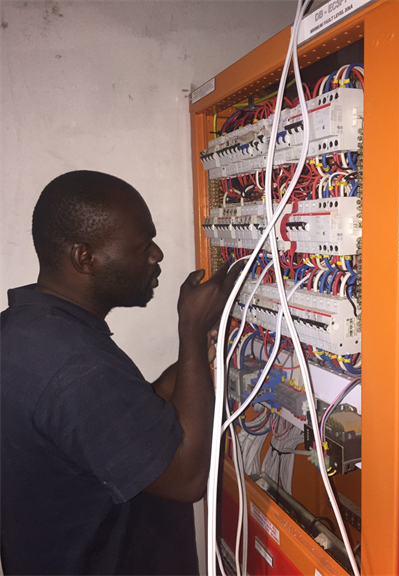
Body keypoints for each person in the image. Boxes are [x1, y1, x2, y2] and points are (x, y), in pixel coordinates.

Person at [0, 170, 240, 576]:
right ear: (86, 258)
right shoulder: (71, 362)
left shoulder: (29, 331)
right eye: (144, 245)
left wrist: (196, 353)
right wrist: (191, 328)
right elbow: (187, 478)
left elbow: (121, 422)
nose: (157, 255)